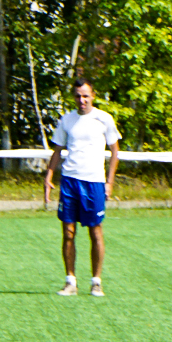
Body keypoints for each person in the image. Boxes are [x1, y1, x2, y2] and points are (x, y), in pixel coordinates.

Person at [41, 79, 120, 298]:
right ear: (73, 97)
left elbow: (115, 152)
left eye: (85, 95)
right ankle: (70, 282)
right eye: (78, 96)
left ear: (93, 96)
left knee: (95, 231)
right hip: (69, 181)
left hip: (94, 182)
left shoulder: (104, 119)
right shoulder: (67, 120)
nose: (81, 100)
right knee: (68, 232)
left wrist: (109, 182)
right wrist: (49, 175)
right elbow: (57, 150)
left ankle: (96, 282)